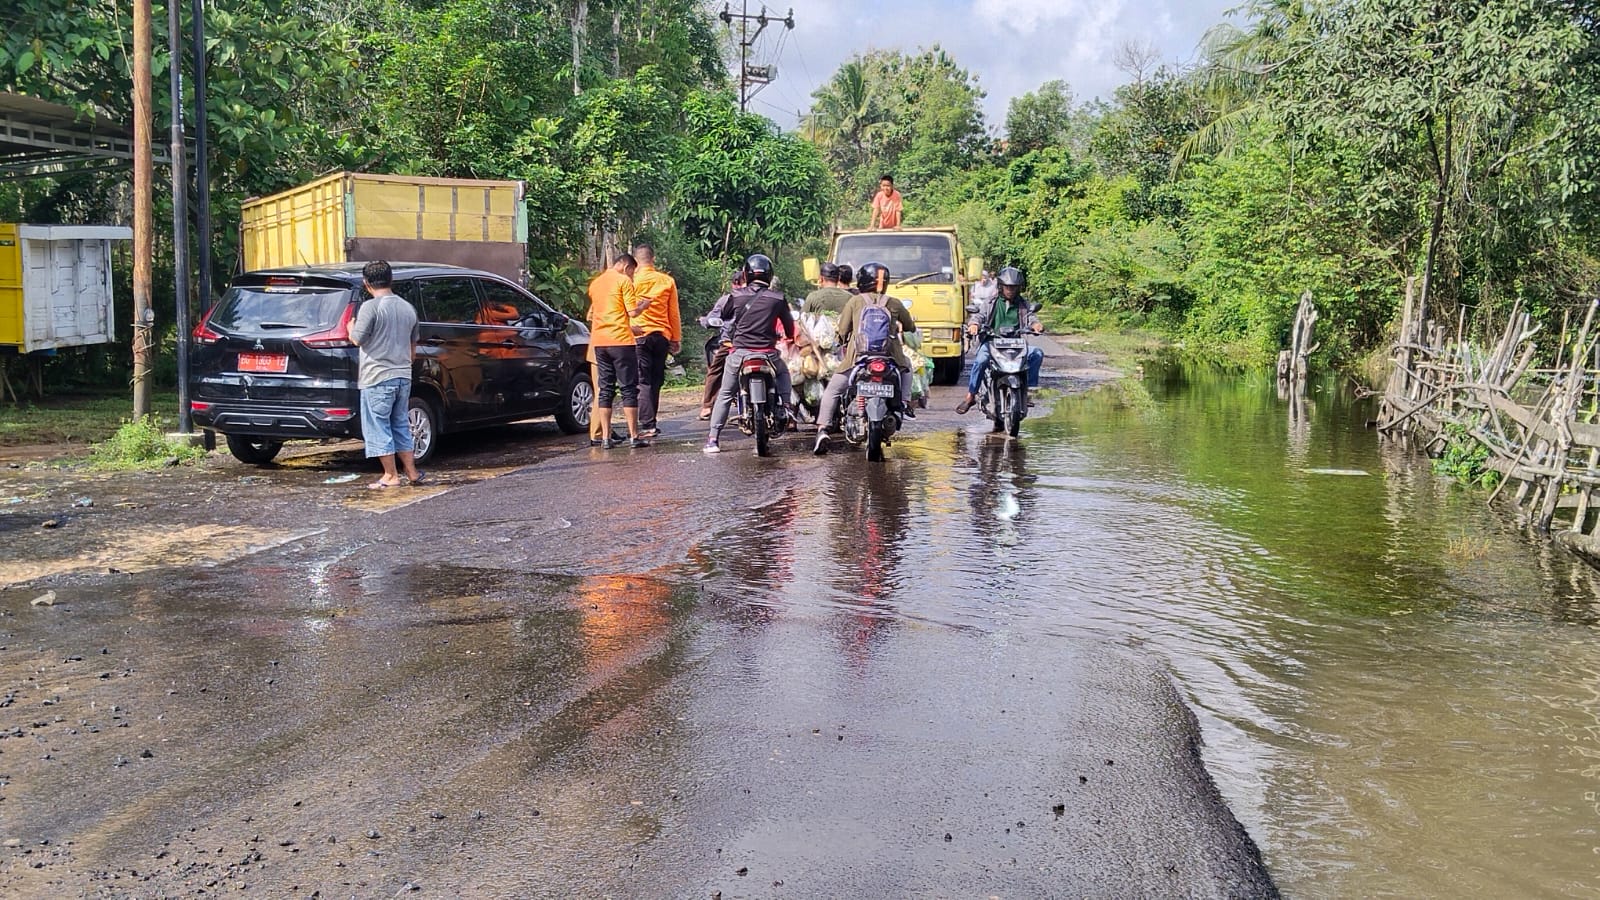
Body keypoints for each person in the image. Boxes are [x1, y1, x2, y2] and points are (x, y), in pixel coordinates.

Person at [813, 262, 917, 455]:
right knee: (907, 368)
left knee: (833, 390)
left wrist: (842, 340)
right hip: (890, 358)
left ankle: (823, 430)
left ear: (862, 281)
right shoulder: (894, 302)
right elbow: (910, 325)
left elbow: (843, 330)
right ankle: (904, 403)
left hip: (857, 358)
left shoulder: (855, 301)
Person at [703, 253, 795, 454]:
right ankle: (787, 407)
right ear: (770, 275)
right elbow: (789, 326)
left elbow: (724, 316)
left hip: (739, 354)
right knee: (783, 373)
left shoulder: (735, 296)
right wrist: (789, 337)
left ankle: (712, 439)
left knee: (726, 394)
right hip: (768, 354)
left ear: (746, 274)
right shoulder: (778, 298)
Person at [348, 259, 425, 489]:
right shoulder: (407, 308)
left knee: (378, 425)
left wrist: (350, 328)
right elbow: (412, 352)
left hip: (377, 377)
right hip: (403, 376)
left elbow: (357, 339)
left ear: (366, 283)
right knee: (400, 423)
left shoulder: (371, 307)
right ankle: (412, 472)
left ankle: (390, 475)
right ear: (391, 280)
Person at [956, 265, 1045, 415]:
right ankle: (971, 396)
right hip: (992, 343)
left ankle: (1029, 390)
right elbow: (979, 316)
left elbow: (1031, 317)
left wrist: (1036, 325)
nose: (1010, 290)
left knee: (1036, 354)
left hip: (1016, 344)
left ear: (1019, 288)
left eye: (1014, 287)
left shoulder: (1023, 304)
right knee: (980, 361)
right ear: (1000, 286)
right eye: (1007, 287)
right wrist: (974, 325)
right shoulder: (991, 302)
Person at [586, 253, 650, 448]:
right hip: (621, 341)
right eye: (632, 272)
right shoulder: (623, 281)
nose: (632, 277)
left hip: (599, 342)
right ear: (626, 267)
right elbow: (631, 312)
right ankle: (634, 436)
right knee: (628, 388)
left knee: (605, 389)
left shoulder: (595, 284)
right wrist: (644, 305)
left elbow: (593, 314)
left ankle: (605, 438)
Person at [628, 242, 681, 438]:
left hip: (639, 335)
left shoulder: (630, 280)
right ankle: (651, 422)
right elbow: (673, 313)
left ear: (635, 261)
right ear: (653, 259)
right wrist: (676, 338)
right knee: (656, 380)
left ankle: (647, 424)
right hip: (661, 336)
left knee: (643, 380)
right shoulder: (666, 281)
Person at [699, 268, 744, 420]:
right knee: (716, 370)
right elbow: (712, 317)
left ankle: (707, 406)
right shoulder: (728, 301)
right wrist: (705, 320)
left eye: (741, 283)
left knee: (715, 371)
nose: (739, 286)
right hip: (735, 343)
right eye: (738, 283)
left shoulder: (730, 299)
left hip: (738, 343)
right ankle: (708, 405)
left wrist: (704, 320)